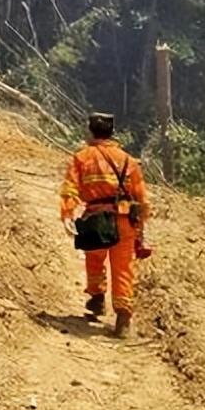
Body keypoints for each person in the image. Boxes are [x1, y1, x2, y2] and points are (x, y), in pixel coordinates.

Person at [59, 112, 151, 338]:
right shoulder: (129, 161)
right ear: (112, 132)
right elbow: (142, 199)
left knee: (94, 259)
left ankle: (97, 298)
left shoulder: (82, 157)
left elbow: (71, 188)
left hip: (96, 219)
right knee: (123, 268)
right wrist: (140, 226)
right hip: (125, 220)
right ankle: (123, 318)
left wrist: (68, 214)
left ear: (90, 131)